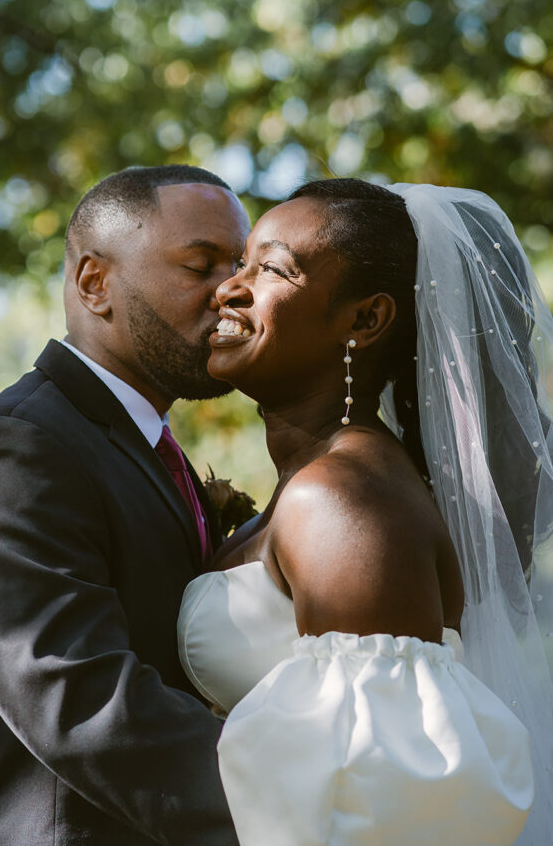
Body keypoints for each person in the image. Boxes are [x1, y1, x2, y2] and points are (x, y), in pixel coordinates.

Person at [178, 178, 553, 846]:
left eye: (270, 269)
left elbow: (387, 802)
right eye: (240, 264)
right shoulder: (321, 483)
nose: (227, 289)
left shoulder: (343, 501)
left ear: (364, 320)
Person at [0, 165, 249, 846]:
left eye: (238, 266)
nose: (232, 291)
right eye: (200, 265)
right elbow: (79, 700)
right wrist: (306, 801)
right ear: (95, 283)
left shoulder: (142, 446)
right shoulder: (14, 449)